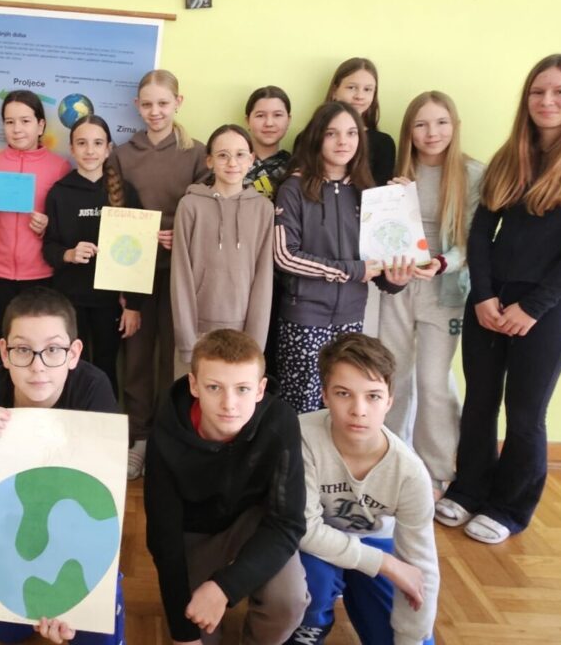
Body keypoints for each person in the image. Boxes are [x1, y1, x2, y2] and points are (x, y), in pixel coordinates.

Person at [436, 53, 561, 544]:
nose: (547, 101)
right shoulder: (510, 155)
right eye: (538, 92)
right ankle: (469, 488)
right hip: (488, 302)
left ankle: (510, 507)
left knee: (526, 413)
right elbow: (481, 232)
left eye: (559, 92)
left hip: (545, 309)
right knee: (479, 403)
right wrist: (483, 296)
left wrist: (533, 308)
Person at [0, 286, 124, 644]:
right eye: (22, 350)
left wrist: (67, 601)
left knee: (96, 633)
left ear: (73, 353)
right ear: (4, 352)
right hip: (14, 535)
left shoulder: (94, 392)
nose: (37, 366)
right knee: (6, 632)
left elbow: (102, 512)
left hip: (77, 533)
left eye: (53, 350)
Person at [145, 329, 308, 645]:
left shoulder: (281, 422)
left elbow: (288, 522)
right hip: (193, 533)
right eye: (214, 387)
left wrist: (225, 586)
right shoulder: (165, 428)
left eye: (242, 389)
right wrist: (183, 636)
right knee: (198, 629)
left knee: (288, 602)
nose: (229, 404)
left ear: (260, 389)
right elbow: (163, 536)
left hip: (252, 524)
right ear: (194, 385)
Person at [288, 334, 439, 645]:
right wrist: (385, 565)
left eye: (373, 396)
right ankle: (309, 628)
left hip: (375, 543)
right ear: (325, 395)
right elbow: (303, 529)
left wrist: (411, 636)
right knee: (312, 581)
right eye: (343, 393)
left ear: (389, 401)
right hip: (313, 549)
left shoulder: (410, 473)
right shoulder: (301, 437)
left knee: (412, 637)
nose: (359, 410)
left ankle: (359, 591)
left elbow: (421, 564)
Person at [377, 92, 484, 494]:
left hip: (445, 288)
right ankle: (391, 461)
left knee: (434, 382)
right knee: (393, 376)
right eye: (421, 124)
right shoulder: (397, 172)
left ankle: (437, 472)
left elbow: (474, 240)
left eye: (441, 123)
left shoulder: (473, 174)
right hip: (398, 286)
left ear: (455, 126)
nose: (431, 133)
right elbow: (380, 231)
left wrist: (441, 263)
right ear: (409, 131)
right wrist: (394, 200)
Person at [273, 102, 410, 414]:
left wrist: (395, 281)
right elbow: (285, 255)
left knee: (344, 403)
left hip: (351, 317)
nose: (343, 142)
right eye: (331, 133)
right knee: (302, 408)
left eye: (351, 133)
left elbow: (379, 262)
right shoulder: (294, 188)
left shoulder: (370, 194)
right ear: (316, 138)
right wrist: (351, 270)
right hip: (304, 316)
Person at [107, 69, 210, 480]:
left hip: (180, 271)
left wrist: (180, 234)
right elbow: (114, 212)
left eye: (163, 103)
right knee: (136, 357)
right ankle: (139, 437)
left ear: (178, 103)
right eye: (147, 104)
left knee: (176, 356)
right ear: (137, 106)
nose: (155, 111)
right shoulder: (122, 154)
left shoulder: (197, 154)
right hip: (134, 270)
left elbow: (207, 212)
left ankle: (170, 436)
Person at [43, 114, 143, 396]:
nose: (90, 150)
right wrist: (69, 254)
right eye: (82, 143)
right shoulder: (59, 193)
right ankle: (71, 419)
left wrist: (133, 305)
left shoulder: (126, 192)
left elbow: (139, 254)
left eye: (98, 143)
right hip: (69, 299)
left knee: (106, 367)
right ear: (72, 149)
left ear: (108, 149)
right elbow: (48, 247)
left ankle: (105, 418)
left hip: (109, 302)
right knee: (70, 368)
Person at [0, 90, 70, 363]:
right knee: (4, 345)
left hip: (40, 273)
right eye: (10, 122)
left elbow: (64, 227)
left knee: (37, 347)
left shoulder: (59, 167)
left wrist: (47, 226)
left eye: (25, 121)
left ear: (41, 125)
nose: (17, 129)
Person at [171, 125, 274, 368]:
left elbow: (264, 277)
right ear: (209, 161)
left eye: (240, 155)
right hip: (197, 332)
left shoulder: (263, 209)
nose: (232, 163)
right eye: (223, 155)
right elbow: (180, 277)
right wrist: (187, 341)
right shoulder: (190, 206)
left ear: (251, 159)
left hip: (244, 334)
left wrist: (256, 342)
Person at [325, 58, 396, 186]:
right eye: (352, 87)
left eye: (367, 89)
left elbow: (380, 193)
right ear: (335, 91)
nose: (359, 96)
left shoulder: (383, 144)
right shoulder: (308, 137)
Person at [244, 86, 294, 199]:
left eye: (277, 115)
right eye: (260, 116)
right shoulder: (233, 164)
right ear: (247, 121)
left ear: (288, 120)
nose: (269, 123)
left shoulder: (295, 168)